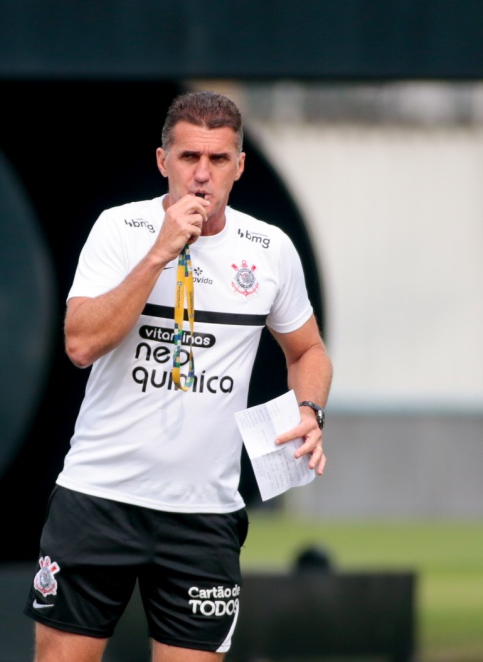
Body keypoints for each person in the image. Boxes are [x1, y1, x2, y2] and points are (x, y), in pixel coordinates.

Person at [23, 90, 333, 662]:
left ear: (240, 166)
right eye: (189, 157)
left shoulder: (269, 250)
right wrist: (158, 254)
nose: (202, 175)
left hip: (204, 514)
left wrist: (309, 411)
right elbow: (81, 342)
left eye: (217, 160)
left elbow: (308, 349)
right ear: (163, 161)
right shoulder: (120, 230)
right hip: (100, 498)